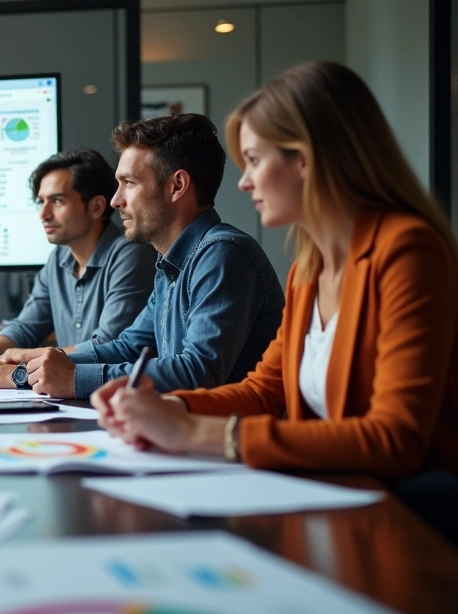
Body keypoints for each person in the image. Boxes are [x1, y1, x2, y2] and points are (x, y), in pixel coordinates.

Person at [93, 61, 458, 479]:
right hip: (331, 488)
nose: (245, 182)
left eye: (254, 160)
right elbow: (265, 391)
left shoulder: (408, 250)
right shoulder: (310, 265)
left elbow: (394, 439)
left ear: (306, 159)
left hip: (406, 512)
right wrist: (169, 407)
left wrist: (194, 430)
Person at [25, 114, 285, 399]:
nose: (116, 200)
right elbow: (129, 347)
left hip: (224, 438)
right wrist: (36, 367)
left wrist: (73, 378)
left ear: (177, 186)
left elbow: (197, 372)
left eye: (130, 183)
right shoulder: (170, 264)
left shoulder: (223, 253)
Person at [0, 149, 156, 389]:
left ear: (96, 207)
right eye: (42, 202)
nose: (44, 214)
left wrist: (2, 367)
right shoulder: (58, 258)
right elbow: (25, 329)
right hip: (65, 394)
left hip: (107, 394)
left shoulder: (131, 253)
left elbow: (108, 345)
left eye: (57, 200)